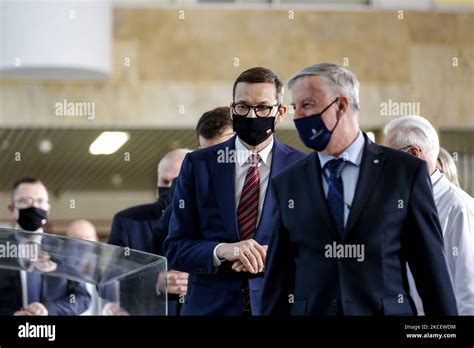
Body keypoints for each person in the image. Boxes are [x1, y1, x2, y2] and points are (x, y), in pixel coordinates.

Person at [260, 63, 457, 316]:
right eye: (295, 107)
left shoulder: (404, 173)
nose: (297, 116)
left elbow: (432, 273)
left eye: (307, 104)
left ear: (341, 106)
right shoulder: (288, 183)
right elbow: (278, 282)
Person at [164, 67, 307, 315]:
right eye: (243, 107)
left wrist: (273, 254)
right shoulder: (198, 165)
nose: (252, 115)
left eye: (262, 108)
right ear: (232, 109)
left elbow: (317, 248)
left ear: (280, 112)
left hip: (279, 305)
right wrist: (222, 250)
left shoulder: (303, 169)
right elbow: (176, 248)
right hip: (210, 308)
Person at [384, 115, 474, 315]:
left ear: (414, 154)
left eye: (387, 159)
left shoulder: (459, 207)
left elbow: (469, 294)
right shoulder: (402, 204)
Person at [154, 106, 234, 315]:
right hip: (208, 302)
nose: (216, 160)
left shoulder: (269, 174)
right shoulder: (189, 185)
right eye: (206, 153)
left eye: (221, 151)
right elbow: (171, 240)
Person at [0, 177, 90, 316]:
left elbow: (82, 298)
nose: (33, 206)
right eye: (25, 200)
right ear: (12, 209)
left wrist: (49, 310)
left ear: (48, 209)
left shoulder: (64, 250)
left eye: (40, 201)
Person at [108, 148, 190, 252]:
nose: (169, 187)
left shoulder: (207, 221)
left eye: (176, 182)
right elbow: (118, 266)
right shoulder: (127, 221)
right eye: (165, 181)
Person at [66, 219, 100, 315]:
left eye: (87, 237)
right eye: (76, 238)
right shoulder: (58, 275)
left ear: (96, 240)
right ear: (68, 241)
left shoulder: (106, 273)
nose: (82, 243)